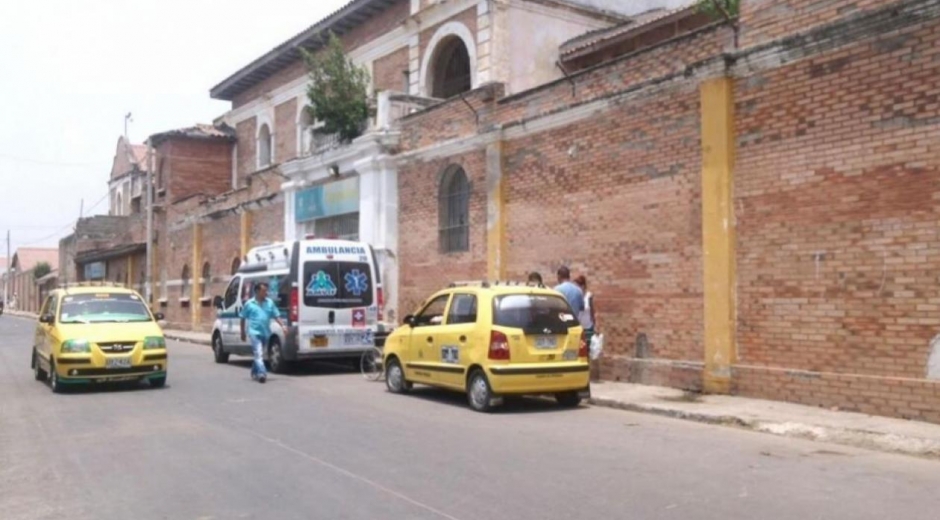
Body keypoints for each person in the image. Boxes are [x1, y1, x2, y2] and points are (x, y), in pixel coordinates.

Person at [240, 282, 284, 384]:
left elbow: (276, 315)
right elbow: (242, 317)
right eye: (263, 290)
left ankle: (254, 371)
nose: (266, 292)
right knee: (259, 353)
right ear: (257, 291)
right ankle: (262, 374)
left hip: (265, 332)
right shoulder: (249, 304)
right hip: (254, 332)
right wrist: (242, 332)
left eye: (266, 290)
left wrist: (283, 326)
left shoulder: (269, 303)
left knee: (259, 354)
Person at [574, 275, 598, 340]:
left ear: (583, 286)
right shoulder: (576, 296)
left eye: (578, 286)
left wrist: (595, 325)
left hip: (588, 327)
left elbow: (592, 311)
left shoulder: (588, 296)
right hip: (578, 327)